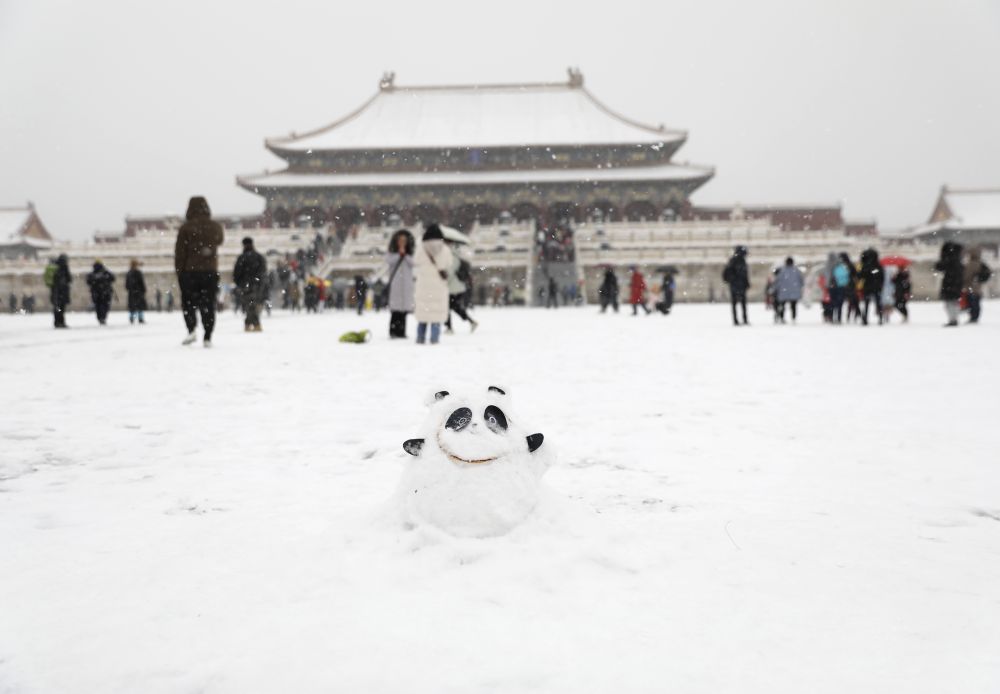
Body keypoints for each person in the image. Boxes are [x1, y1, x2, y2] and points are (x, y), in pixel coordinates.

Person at [174, 196, 224, 347]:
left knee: (189, 303)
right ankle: (208, 335)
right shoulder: (215, 226)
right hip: (210, 271)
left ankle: (191, 330)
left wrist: (180, 272)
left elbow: (180, 253)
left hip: (190, 272)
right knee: (208, 303)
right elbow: (220, 240)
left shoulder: (186, 228)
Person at [413, 224, 452, 344]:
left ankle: (420, 338)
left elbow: (415, 261)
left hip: (423, 284)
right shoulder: (445, 249)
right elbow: (449, 264)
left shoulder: (421, 248)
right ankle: (434, 339)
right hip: (438, 285)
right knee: (436, 315)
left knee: (423, 315)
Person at [384, 229, 415, 338]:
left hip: (406, 285)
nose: (402, 242)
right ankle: (393, 331)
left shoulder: (410, 254)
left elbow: (414, 263)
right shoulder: (391, 253)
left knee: (404, 312)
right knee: (395, 311)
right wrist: (399, 254)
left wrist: (405, 255)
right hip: (396, 284)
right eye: (400, 240)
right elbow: (388, 260)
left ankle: (402, 332)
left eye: (404, 240)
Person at [233, 237, 267, 332]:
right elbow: (263, 272)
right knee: (251, 305)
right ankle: (252, 324)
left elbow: (236, 274)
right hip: (255, 285)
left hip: (246, 285)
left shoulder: (242, 258)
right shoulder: (258, 257)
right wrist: (260, 283)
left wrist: (239, 283)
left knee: (249, 305)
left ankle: (251, 324)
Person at [444, 246, 478, 333]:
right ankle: (470, 321)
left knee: (447, 307)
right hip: (457, 287)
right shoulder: (457, 256)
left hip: (453, 287)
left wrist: (443, 280)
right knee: (454, 307)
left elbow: (450, 273)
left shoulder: (452, 257)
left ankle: (449, 328)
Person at [935, 241, 964, 327]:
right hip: (956, 284)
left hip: (949, 283)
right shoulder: (958, 259)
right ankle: (954, 318)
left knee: (949, 302)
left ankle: (953, 319)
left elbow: (939, 267)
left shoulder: (949, 259)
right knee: (954, 302)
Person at [722, 245, 750, 326]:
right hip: (737, 285)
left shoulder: (735, 260)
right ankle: (739, 320)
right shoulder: (735, 261)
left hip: (737, 285)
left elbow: (744, 274)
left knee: (738, 303)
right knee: (740, 303)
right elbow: (741, 274)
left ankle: (740, 320)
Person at [963, 247, 991, 324]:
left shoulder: (970, 264)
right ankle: (975, 317)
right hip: (978, 287)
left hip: (970, 286)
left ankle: (973, 317)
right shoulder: (981, 263)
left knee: (972, 303)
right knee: (976, 303)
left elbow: (966, 276)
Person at [858, 248, 885, 326]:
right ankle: (880, 318)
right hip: (876, 286)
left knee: (866, 303)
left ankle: (865, 319)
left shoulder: (865, 265)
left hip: (867, 286)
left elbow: (860, 276)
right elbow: (882, 277)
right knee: (878, 303)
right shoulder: (878, 265)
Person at [774, 257, 804, 323]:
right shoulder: (796, 271)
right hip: (794, 291)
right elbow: (801, 280)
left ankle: (782, 318)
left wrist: (776, 289)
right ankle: (793, 318)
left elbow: (777, 281)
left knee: (782, 305)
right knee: (793, 306)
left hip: (783, 292)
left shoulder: (782, 271)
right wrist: (800, 287)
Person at [86, 260, 116, 325]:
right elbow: (113, 278)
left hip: (96, 293)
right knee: (104, 305)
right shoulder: (105, 272)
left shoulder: (93, 273)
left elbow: (88, 281)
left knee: (98, 306)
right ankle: (102, 317)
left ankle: (100, 318)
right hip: (105, 292)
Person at [48, 254, 72, 328]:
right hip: (62, 291)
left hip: (55, 291)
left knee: (57, 307)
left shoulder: (54, 267)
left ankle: (57, 322)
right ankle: (61, 322)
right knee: (61, 308)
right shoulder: (64, 267)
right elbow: (69, 279)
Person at [830, 254, 851, 323]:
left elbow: (831, 278)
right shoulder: (844, 268)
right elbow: (847, 278)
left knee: (833, 304)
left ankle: (833, 317)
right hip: (841, 287)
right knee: (840, 304)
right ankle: (839, 318)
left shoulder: (833, 268)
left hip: (834, 287)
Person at [125, 259, 147, 324]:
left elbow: (127, 284)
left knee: (132, 306)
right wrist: (143, 290)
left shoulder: (129, 273)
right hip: (139, 292)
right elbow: (141, 283)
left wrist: (129, 289)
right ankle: (140, 318)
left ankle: (132, 317)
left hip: (131, 292)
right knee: (140, 306)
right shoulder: (138, 272)